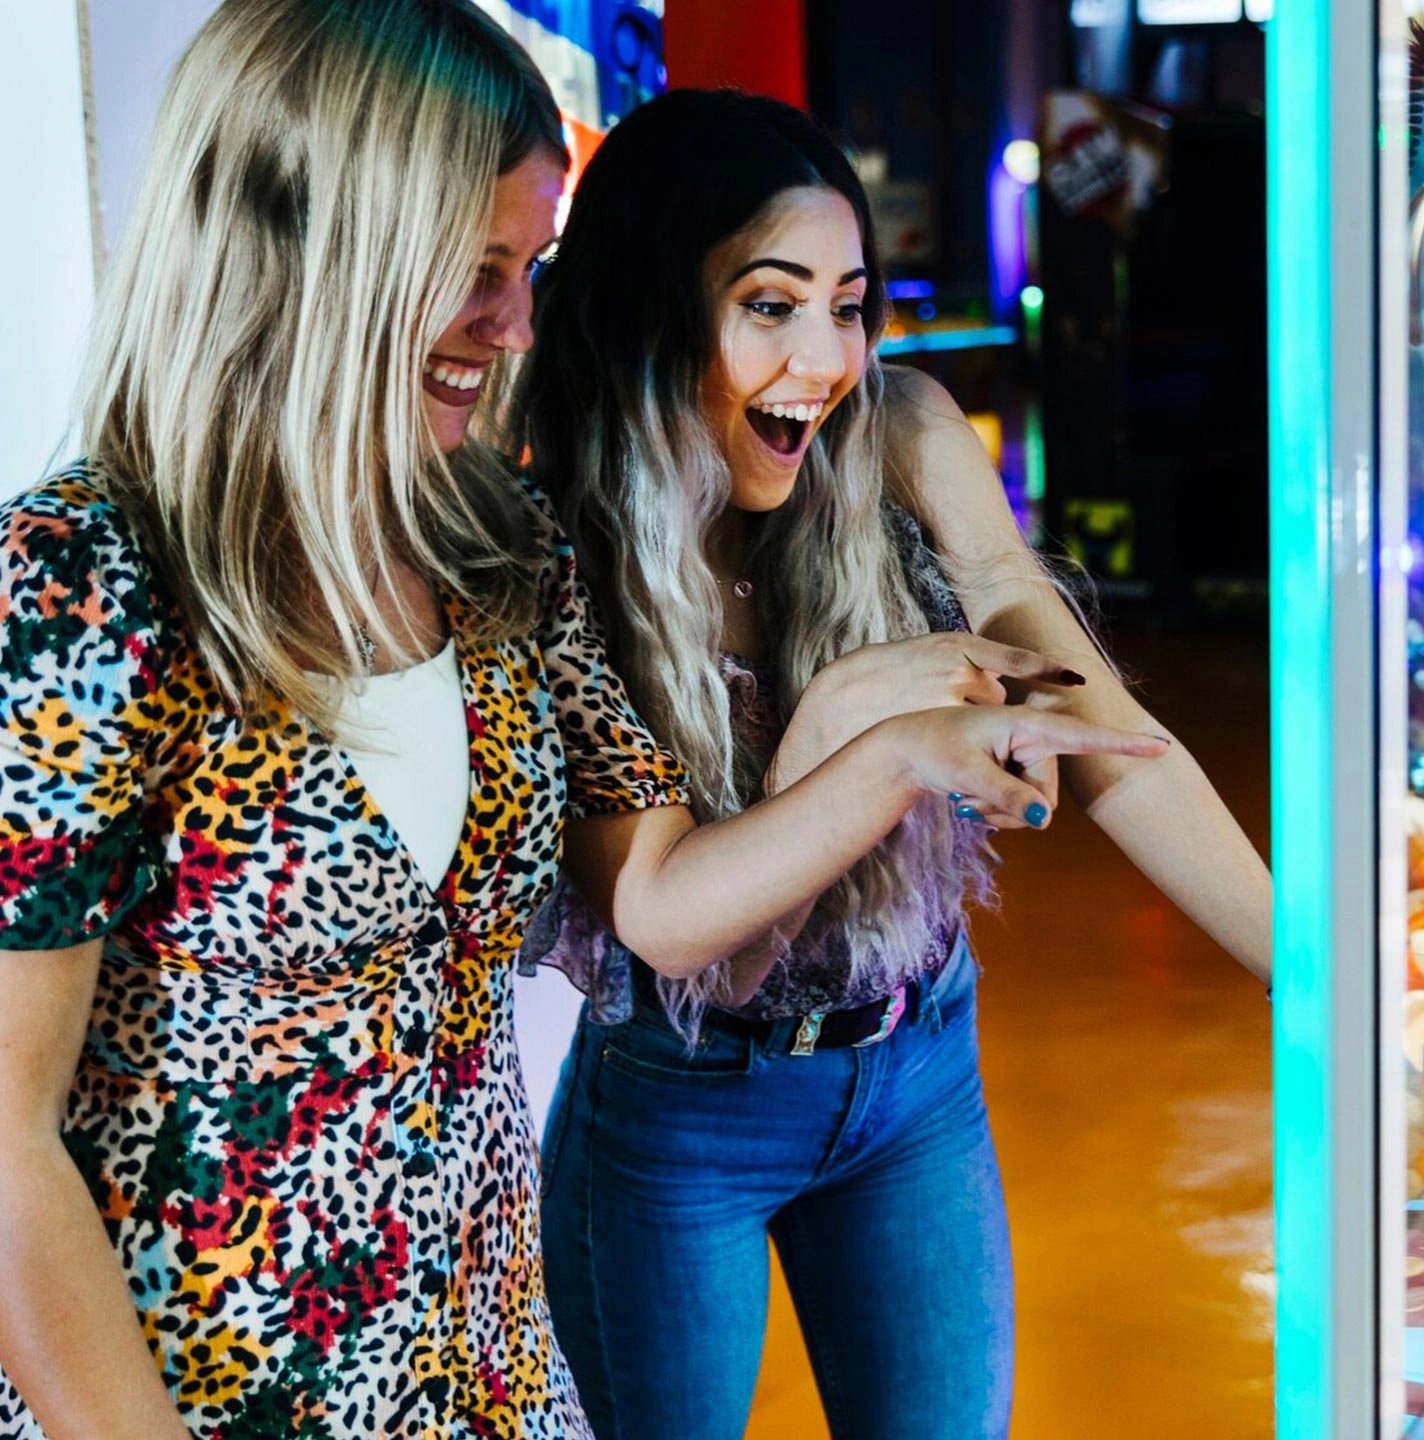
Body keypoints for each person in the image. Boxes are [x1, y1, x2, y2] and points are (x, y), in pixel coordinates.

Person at [0, 6, 1160, 1436]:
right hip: (214, 1394)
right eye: (472, 272)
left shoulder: (498, 550)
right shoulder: (81, 581)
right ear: (315, 251)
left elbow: (666, 897)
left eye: (529, 269)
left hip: (491, 1385)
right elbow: (5, 1146)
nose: (513, 325)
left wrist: (900, 754)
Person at [514, 89, 1274, 1439]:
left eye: (848, 305)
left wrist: (1328, 989)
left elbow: (1103, 738)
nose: (823, 359)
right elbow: (694, 940)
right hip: (679, 1116)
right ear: (652, 301)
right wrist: (856, 728)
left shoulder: (902, 434)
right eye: (768, 303)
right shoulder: (552, 542)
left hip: (913, 1063)